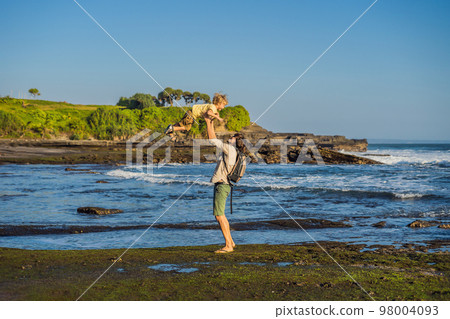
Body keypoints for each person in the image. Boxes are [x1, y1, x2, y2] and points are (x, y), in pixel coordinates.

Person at [204, 115, 247, 253]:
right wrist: (210, 122)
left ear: (235, 141)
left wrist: (207, 121)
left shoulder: (230, 149)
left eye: (233, 137)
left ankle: (228, 245)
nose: (230, 137)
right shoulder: (240, 154)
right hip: (227, 185)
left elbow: (212, 140)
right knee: (221, 214)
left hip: (222, 185)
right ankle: (231, 242)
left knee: (219, 215)